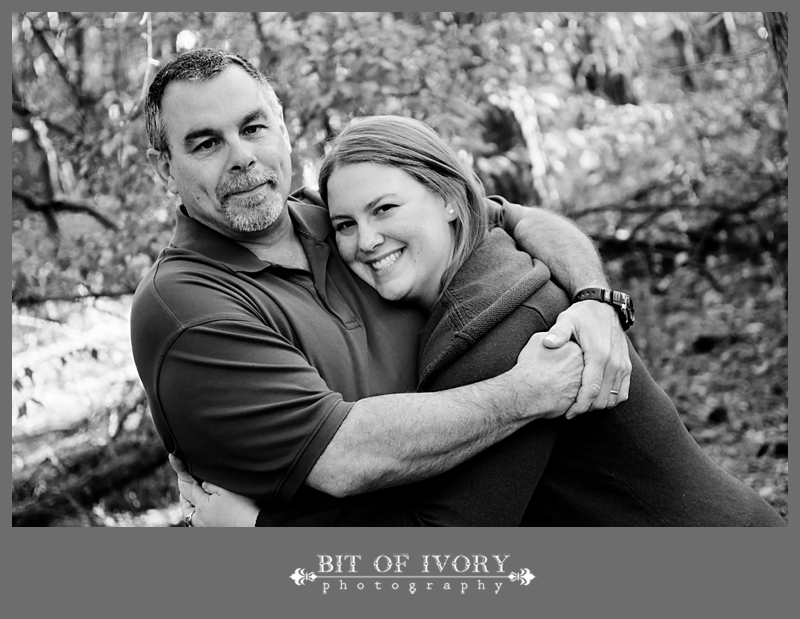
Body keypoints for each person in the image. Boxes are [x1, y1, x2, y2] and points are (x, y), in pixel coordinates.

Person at [177, 115, 786, 527]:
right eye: (344, 225)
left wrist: (258, 528)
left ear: (449, 199)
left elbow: (442, 551)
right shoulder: (486, 262)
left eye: (384, 209)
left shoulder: (506, 326)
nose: (366, 240)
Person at [130, 48, 631, 526]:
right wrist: (526, 393)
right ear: (164, 169)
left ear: (280, 127)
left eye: (252, 127)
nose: (241, 156)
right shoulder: (183, 306)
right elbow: (345, 458)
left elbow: (515, 218)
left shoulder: (345, 218)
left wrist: (595, 298)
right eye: (206, 143)